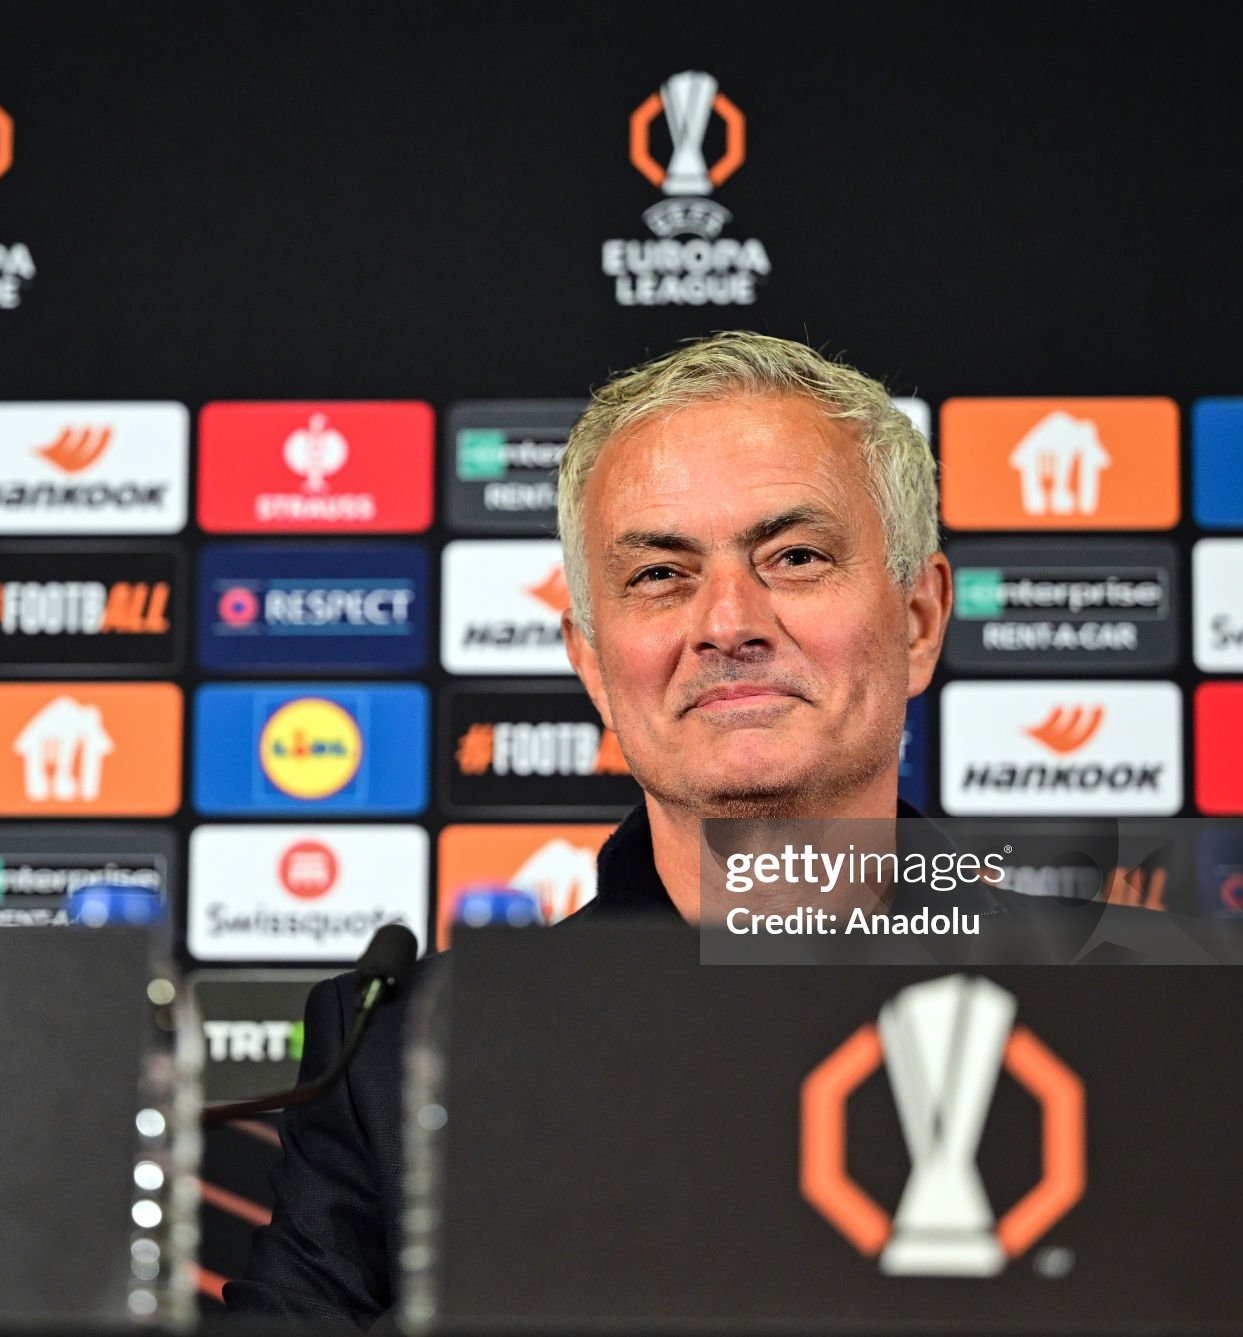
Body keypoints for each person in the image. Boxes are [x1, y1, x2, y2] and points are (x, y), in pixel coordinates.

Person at [224, 331, 973, 1325]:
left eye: (792, 556)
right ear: (588, 660)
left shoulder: (1139, 1002)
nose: (727, 622)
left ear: (917, 617)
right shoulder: (405, 1055)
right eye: (659, 575)